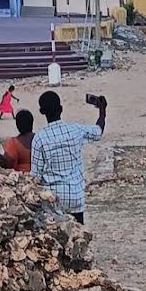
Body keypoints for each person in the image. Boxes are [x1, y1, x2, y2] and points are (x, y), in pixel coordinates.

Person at [30, 90, 107, 224]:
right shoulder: (75, 130)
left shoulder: (39, 138)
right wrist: (102, 111)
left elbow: (35, 175)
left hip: (53, 199)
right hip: (76, 196)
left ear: (42, 112)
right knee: (78, 236)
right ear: (61, 109)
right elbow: (98, 131)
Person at [1, 109, 34, 173]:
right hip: (39, 176)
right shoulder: (40, 139)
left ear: (17, 124)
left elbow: (7, 162)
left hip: (21, 177)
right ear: (32, 122)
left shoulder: (13, 142)